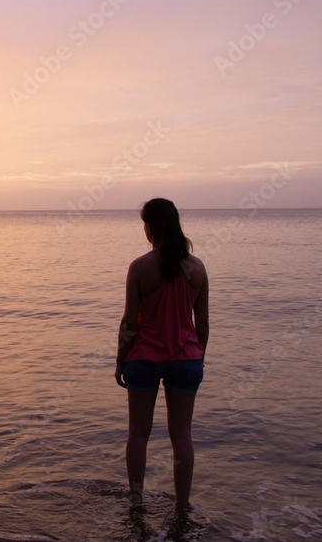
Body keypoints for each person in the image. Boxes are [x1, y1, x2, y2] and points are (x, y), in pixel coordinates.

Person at [114, 198, 209, 512]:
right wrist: (199, 358)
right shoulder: (197, 268)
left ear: (149, 227)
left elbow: (130, 321)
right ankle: (182, 506)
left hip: (143, 358)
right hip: (187, 360)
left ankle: (137, 502)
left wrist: (120, 359)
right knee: (182, 434)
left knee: (138, 433)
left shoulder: (140, 267)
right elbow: (202, 324)